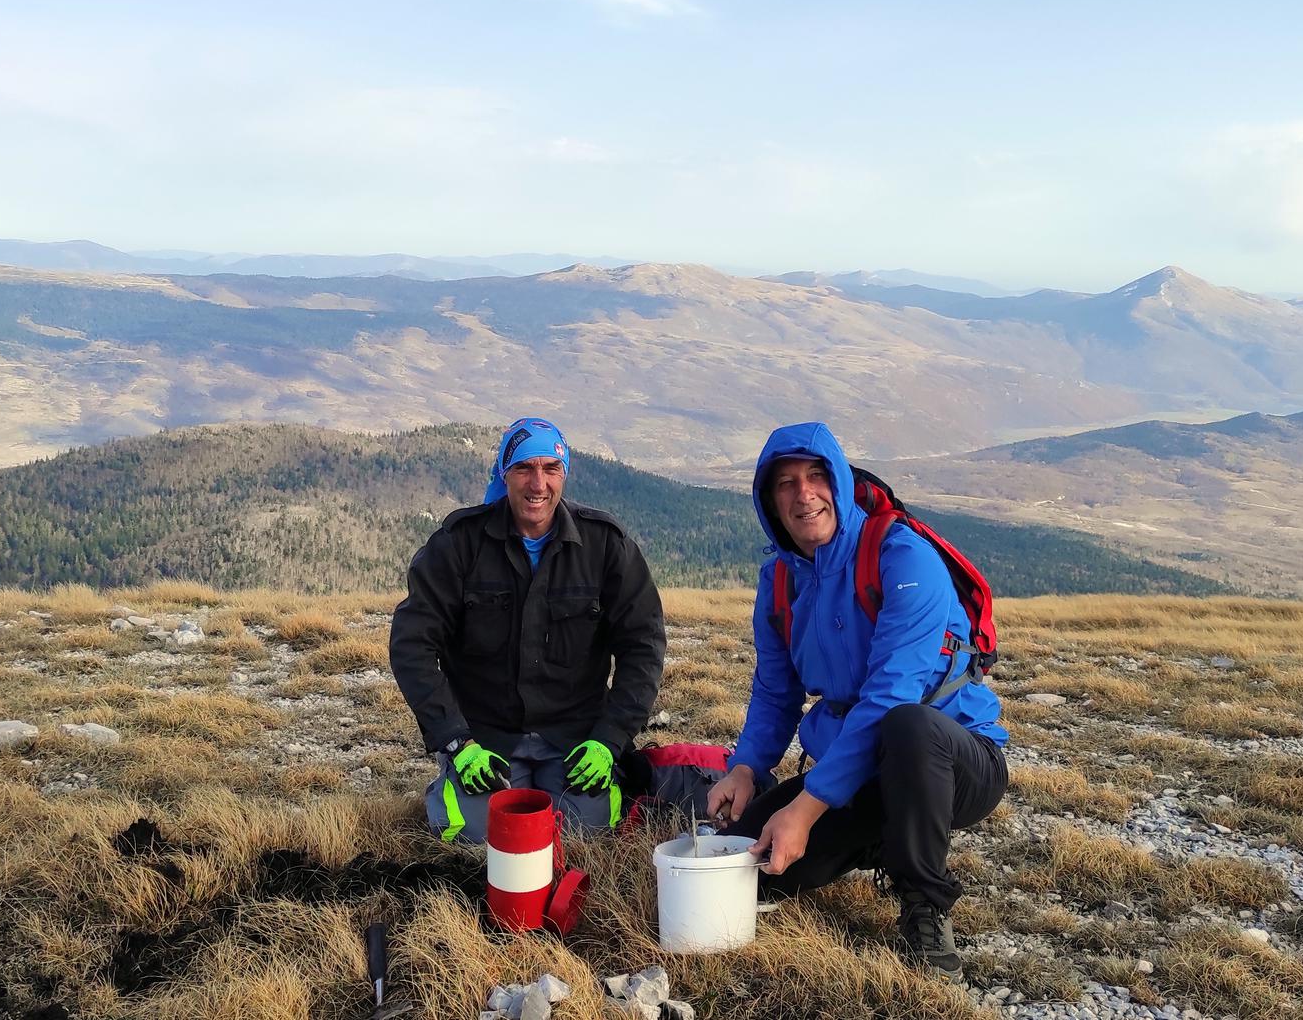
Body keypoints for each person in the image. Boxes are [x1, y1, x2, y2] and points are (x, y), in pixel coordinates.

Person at [706, 421, 1009, 983]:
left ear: (841, 483)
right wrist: (746, 768)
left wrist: (806, 808)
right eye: (786, 483)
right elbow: (775, 691)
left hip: (953, 764)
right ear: (769, 501)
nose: (804, 495)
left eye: (817, 476)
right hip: (861, 770)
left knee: (909, 725)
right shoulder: (779, 581)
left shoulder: (903, 557)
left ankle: (924, 905)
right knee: (746, 864)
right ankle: (882, 837)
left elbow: (889, 698)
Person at [390, 417, 665, 843]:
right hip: (486, 738)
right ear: (505, 473)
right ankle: (453, 780)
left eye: (550, 468)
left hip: (575, 737)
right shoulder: (459, 543)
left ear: (564, 474)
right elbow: (412, 645)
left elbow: (643, 645)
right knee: (479, 839)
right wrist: (456, 741)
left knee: (587, 838)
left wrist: (609, 740)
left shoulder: (605, 545)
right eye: (523, 468)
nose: (538, 484)